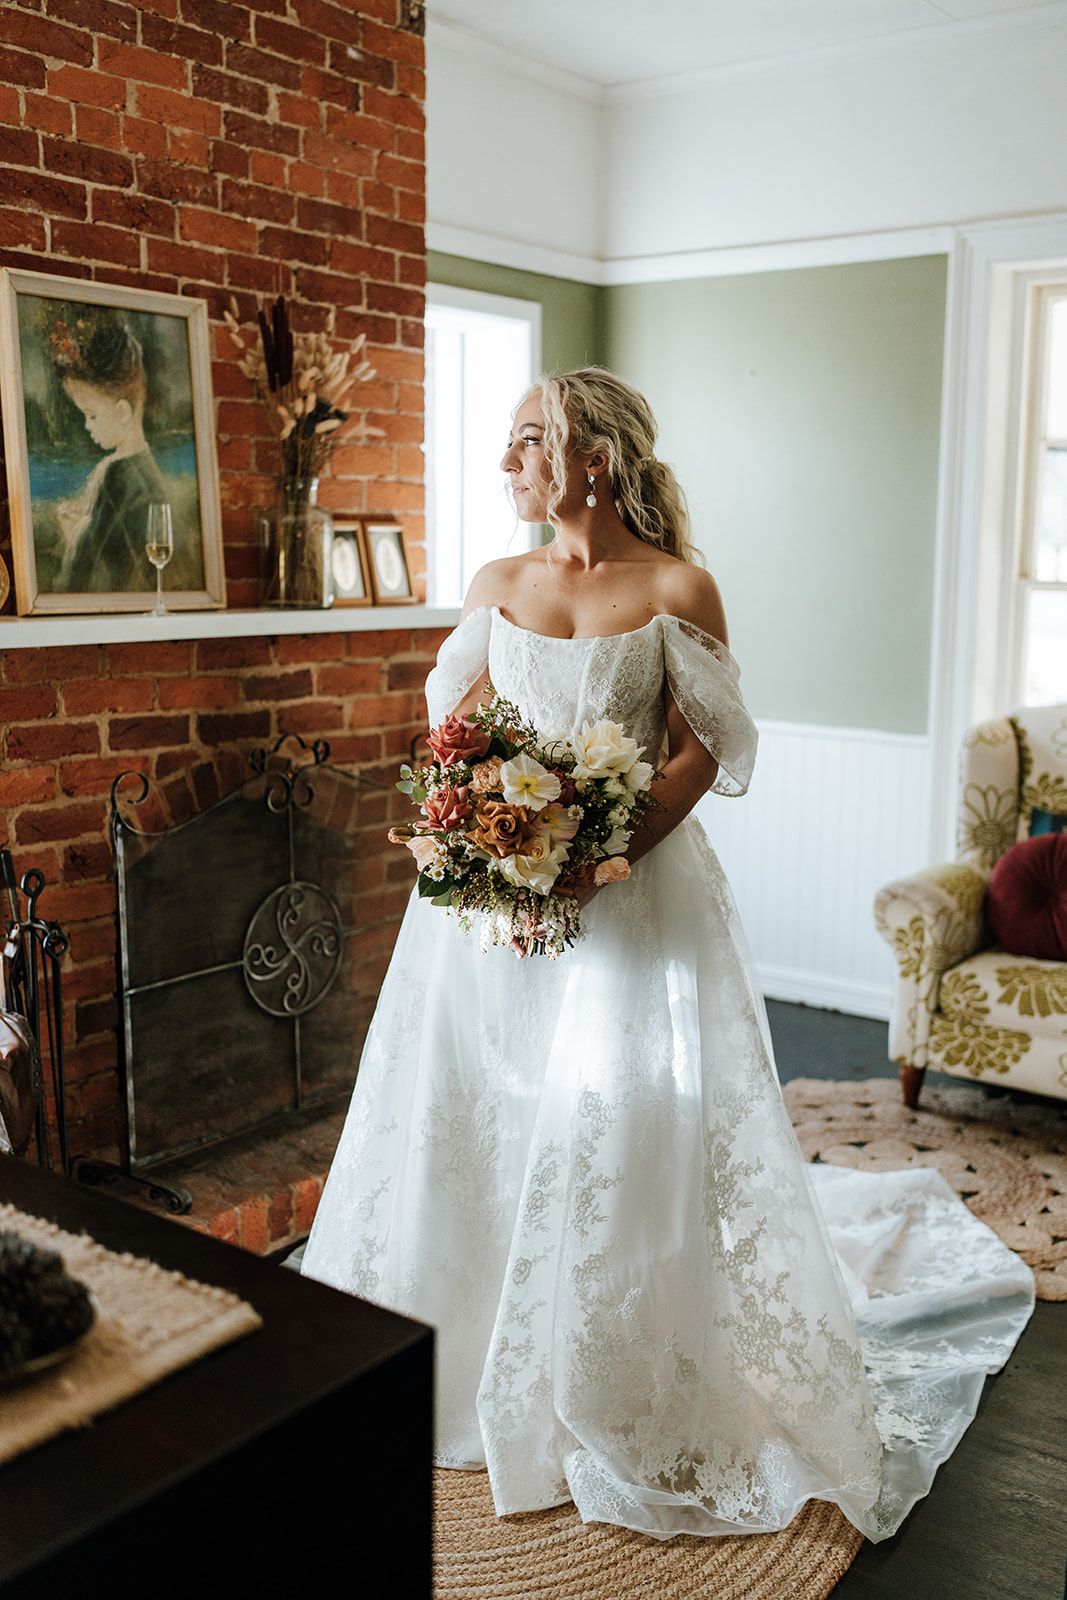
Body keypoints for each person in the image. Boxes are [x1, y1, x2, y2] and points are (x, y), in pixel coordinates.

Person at [296, 367, 1035, 1543]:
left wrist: (606, 848)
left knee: (614, 1122)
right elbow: (450, 732)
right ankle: (454, 1340)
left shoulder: (678, 587)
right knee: (472, 1106)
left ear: (594, 455)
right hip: (487, 907)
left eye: (530, 441)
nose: (509, 465)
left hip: (632, 896)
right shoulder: (498, 582)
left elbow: (701, 747)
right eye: (509, 444)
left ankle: (605, 1363)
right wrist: (487, 826)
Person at [48, 315, 169, 593]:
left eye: (91, 415)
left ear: (123, 412)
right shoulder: (137, 468)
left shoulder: (118, 476)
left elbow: (85, 571)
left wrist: (73, 533)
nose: (87, 426)